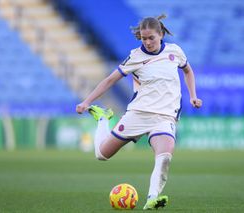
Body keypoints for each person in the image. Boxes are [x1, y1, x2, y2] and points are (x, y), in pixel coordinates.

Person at [76, 14, 202, 210]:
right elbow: (109, 80)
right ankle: (103, 118)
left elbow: (188, 71)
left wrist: (193, 95)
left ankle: (152, 197)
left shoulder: (174, 52)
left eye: (151, 37)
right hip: (139, 114)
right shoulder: (135, 57)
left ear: (160, 34)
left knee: (165, 157)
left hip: (165, 116)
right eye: (144, 38)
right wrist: (87, 102)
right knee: (102, 154)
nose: (148, 42)